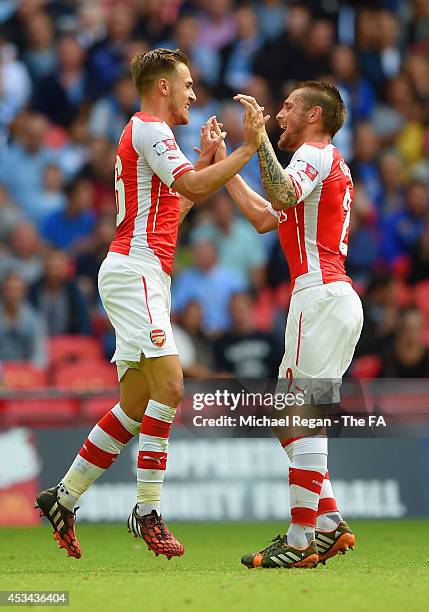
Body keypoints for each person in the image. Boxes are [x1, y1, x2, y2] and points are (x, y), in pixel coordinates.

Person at [35, 48, 266, 561]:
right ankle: (147, 511)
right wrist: (247, 149)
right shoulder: (150, 129)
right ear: (162, 86)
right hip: (135, 271)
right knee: (172, 385)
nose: (193, 94)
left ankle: (63, 497)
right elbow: (188, 185)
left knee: (138, 404)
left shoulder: (145, 135)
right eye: (186, 84)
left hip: (142, 273)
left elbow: (178, 204)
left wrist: (209, 161)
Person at [214, 82, 363, 569]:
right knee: (287, 418)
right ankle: (327, 523)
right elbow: (264, 215)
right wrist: (225, 164)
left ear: (314, 114)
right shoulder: (319, 163)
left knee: (301, 416)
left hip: (318, 297)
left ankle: (300, 540)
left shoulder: (315, 155)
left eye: (288, 107)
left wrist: (255, 140)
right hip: (330, 298)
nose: (279, 115)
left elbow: (279, 189)